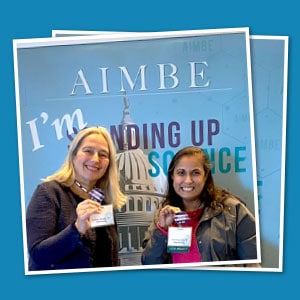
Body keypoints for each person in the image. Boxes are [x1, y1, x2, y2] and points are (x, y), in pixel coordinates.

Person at [26, 126, 126, 271]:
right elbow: (38, 255)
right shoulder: (49, 193)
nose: (95, 159)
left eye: (103, 154)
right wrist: (77, 229)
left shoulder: (103, 202)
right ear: (73, 155)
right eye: (88, 151)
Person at [141, 146, 259, 266]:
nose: (188, 180)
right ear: (172, 176)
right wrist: (163, 230)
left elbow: (252, 265)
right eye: (181, 173)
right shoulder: (163, 216)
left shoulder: (233, 211)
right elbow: (150, 264)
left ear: (205, 176)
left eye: (195, 173)